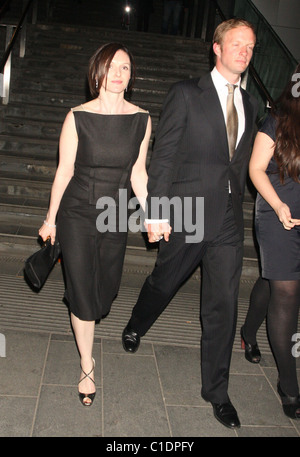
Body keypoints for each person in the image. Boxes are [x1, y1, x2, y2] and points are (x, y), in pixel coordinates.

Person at [122, 18, 258, 429]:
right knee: (165, 280)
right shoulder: (185, 93)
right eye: (236, 43)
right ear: (216, 48)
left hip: (230, 221)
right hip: (188, 214)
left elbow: (243, 164)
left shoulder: (252, 105)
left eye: (250, 46)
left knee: (222, 305)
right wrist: (157, 212)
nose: (244, 51)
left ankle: (216, 391)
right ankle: (136, 323)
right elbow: (163, 158)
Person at [39, 42, 151, 406]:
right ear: (98, 72)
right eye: (113, 66)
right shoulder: (77, 116)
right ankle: (87, 365)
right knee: (83, 292)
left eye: (126, 68)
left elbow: (139, 174)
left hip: (115, 213)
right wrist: (51, 218)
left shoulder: (141, 119)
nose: (119, 73)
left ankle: (88, 313)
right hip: (77, 213)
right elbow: (64, 171)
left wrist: (151, 212)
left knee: (105, 292)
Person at [241, 64, 300, 419]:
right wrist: (278, 206)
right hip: (278, 217)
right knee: (288, 293)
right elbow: (255, 168)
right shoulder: (277, 120)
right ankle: (289, 386)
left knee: (272, 280)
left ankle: (248, 331)